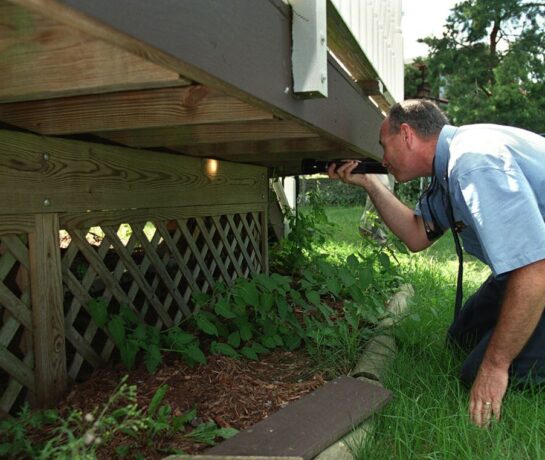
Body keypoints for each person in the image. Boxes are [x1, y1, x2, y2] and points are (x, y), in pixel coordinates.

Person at [328, 99, 545, 428]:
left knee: (480, 371)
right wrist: (369, 184)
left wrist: (496, 366)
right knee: (462, 340)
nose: (383, 159)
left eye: (384, 146)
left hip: (537, 271)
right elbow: (417, 235)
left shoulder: (473, 163)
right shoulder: (450, 164)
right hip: (532, 268)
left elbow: (534, 269)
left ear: (406, 134)